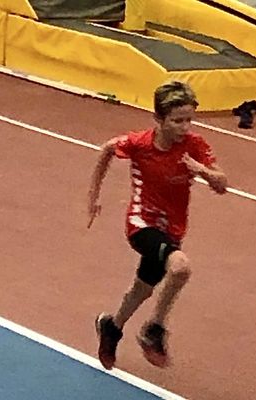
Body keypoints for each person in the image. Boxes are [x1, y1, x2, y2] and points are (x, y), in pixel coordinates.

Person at [87, 81, 228, 370]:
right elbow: (107, 150)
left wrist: (201, 170)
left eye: (189, 120)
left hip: (172, 229)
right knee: (180, 267)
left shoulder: (195, 145)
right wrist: (94, 197)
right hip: (142, 223)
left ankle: (112, 326)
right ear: (159, 119)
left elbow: (222, 184)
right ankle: (154, 329)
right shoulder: (139, 143)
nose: (184, 127)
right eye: (177, 121)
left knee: (143, 288)